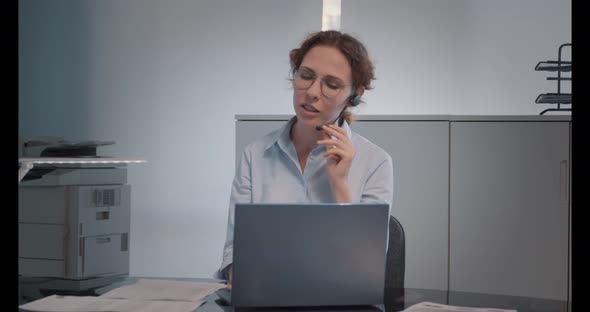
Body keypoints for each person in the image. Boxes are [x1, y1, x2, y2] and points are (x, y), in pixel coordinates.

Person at [216, 30, 394, 289]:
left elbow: (366, 267)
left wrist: (340, 185)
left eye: (331, 85)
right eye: (306, 76)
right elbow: (235, 252)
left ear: (354, 95)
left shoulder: (375, 162)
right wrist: (237, 271)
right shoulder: (255, 155)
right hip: (266, 300)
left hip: (341, 302)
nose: (311, 92)